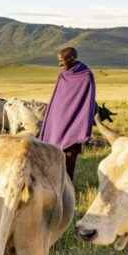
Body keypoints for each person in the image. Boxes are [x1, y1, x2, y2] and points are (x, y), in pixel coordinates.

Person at [38, 47, 96, 181]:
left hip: (74, 126)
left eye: (62, 61)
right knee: (53, 160)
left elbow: (86, 102)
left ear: (72, 59)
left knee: (69, 162)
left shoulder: (85, 76)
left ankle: (68, 191)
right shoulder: (63, 75)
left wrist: (82, 126)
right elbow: (56, 101)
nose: (59, 64)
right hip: (58, 125)